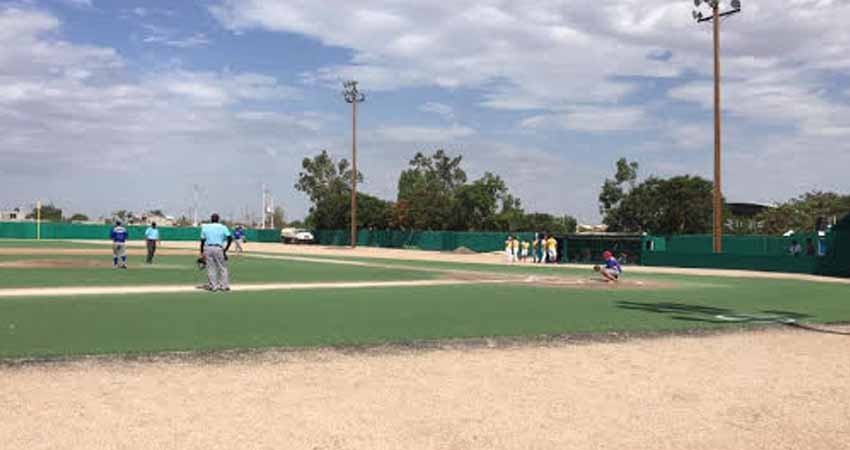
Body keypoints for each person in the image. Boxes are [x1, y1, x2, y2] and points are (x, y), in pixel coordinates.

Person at [200, 213, 233, 292]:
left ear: (211, 219)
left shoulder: (205, 227)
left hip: (208, 248)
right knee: (222, 267)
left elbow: (202, 240)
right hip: (218, 248)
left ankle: (213, 286)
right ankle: (224, 286)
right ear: (218, 219)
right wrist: (225, 249)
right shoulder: (223, 227)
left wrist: (202, 252)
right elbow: (230, 238)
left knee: (211, 268)